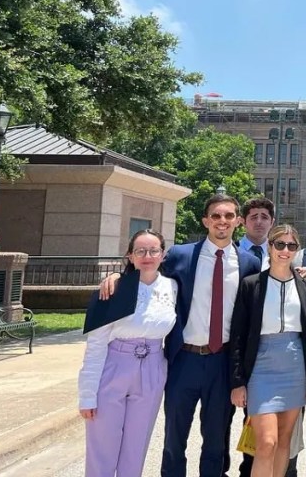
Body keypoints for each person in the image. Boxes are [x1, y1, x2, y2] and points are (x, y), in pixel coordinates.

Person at [99, 194, 262, 477]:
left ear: (237, 220)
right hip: (183, 359)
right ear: (205, 221)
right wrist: (119, 278)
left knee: (215, 438)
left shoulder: (249, 263)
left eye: (228, 216)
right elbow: (149, 274)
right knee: (175, 437)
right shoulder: (180, 255)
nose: (222, 222)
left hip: (221, 362)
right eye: (215, 216)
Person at [79, 229, 178, 477]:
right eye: (140, 251)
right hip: (114, 365)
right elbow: (96, 345)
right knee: (102, 444)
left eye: (153, 250)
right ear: (130, 256)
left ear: (163, 255)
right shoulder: (113, 288)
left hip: (153, 367)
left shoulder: (173, 287)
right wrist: (87, 395)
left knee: (136, 445)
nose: (147, 256)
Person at [230, 224, 306, 477]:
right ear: (269, 246)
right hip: (262, 365)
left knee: (284, 441)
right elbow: (238, 335)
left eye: (291, 245)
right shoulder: (252, 285)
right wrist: (237, 381)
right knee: (266, 442)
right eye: (279, 244)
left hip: (294, 366)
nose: (285, 250)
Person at [240, 197, 276, 271]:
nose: (259, 222)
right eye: (254, 218)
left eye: (264, 218)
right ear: (243, 222)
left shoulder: (279, 254)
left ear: (272, 222)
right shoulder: (232, 252)